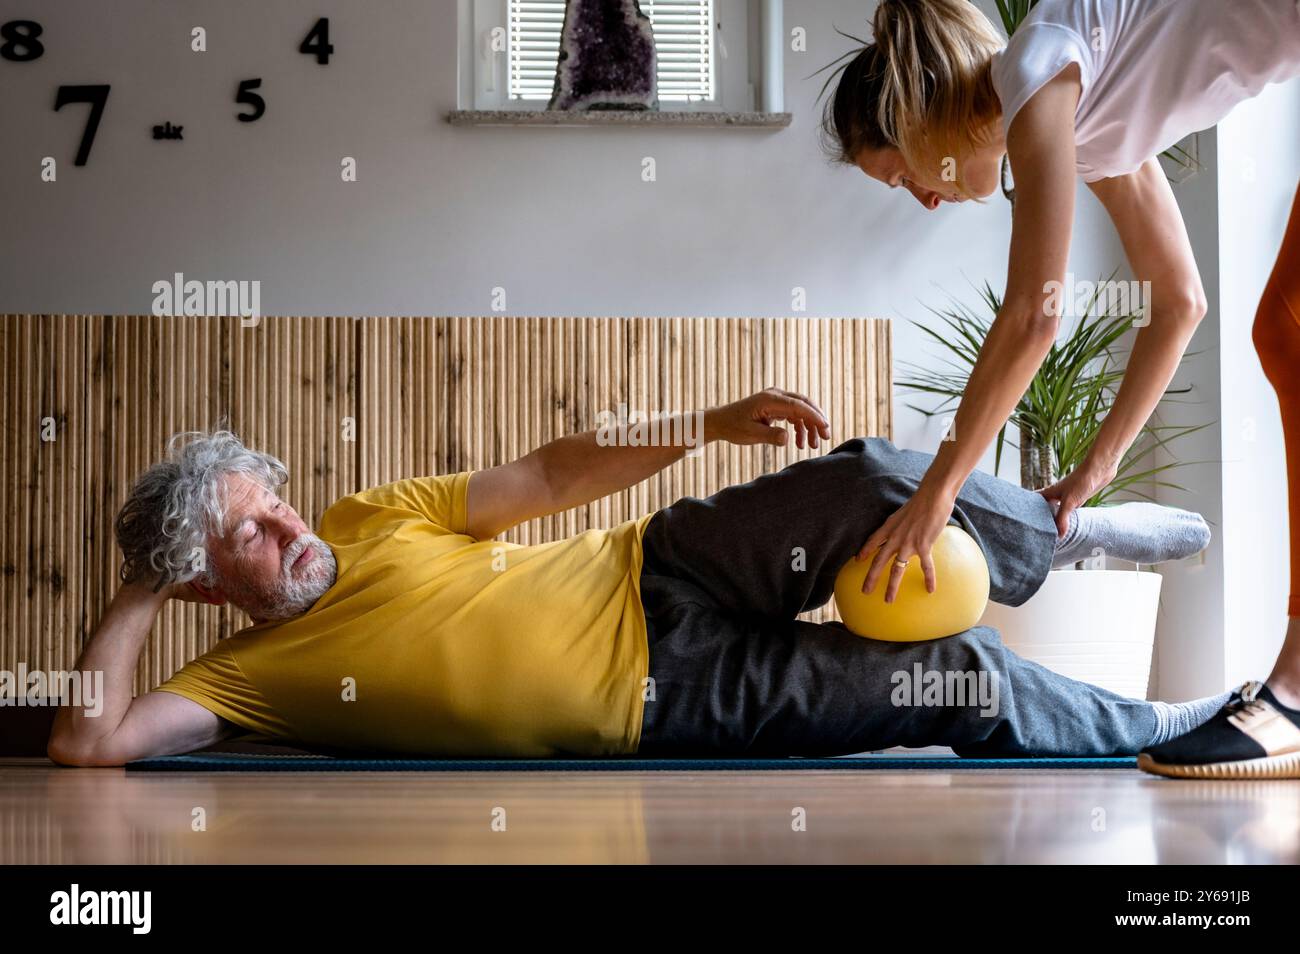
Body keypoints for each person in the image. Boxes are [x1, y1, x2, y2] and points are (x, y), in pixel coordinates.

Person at [46, 399, 1222, 766]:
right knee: (954, 678)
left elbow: (549, 472)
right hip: (671, 699)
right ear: (202, 585)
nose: (287, 523)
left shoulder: (370, 515)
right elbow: (88, 748)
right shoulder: (241, 676)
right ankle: (1167, 728)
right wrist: (142, 587)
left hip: (660, 561)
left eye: (272, 499)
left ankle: (1054, 535)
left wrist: (700, 421)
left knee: (866, 477)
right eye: (248, 535)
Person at [819, 0, 1300, 778]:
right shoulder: (1081, 127)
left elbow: (1032, 319)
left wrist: (934, 496)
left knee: (1287, 336)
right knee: (1284, 336)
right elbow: (1177, 302)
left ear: (920, 108)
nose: (925, 198)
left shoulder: (1039, 71)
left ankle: (1296, 697)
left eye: (904, 172)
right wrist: (1097, 468)